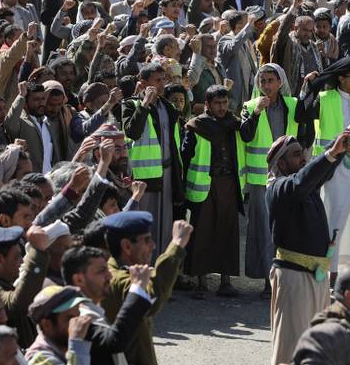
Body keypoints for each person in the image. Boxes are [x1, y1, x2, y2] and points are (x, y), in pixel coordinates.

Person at [265, 128, 350, 365]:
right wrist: (331, 153)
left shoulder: (305, 187)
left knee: (316, 348)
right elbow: (305, 178)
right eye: (296, 155)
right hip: (293, 279)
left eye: (303, 154)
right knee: (291, 349)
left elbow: (322, 168)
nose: (303, 158)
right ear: (281, 164)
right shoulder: (278, 189)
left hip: (317, 278)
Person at [303, 57, 350, 280]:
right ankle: (330, 271)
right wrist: (311, 85)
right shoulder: (325, 98)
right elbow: (303, 112)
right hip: (333, 166)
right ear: (341, 79)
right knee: (334, 218)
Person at [238, 63, 309, 296]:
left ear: (280, 82)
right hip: (261, 179)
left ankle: (291, 277)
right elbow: (246, 135)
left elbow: (307, 125)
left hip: (289, 175)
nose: (266, 85)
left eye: (271, 80)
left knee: (291, 226)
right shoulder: (250, 106)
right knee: (263, 228)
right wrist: (256, 113)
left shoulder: (292, 105)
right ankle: (268, 280)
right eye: (263, 81)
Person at [100, 211, 192, 365]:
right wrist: (176, 246)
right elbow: (150, 300)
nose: (153, 246)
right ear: (127, 246)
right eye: (147, 240)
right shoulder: (115, 278)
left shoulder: (120, 270)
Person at [180, 85, 243, 298]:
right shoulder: (196, 126)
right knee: (202, 233)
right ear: (207, 105)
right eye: (217, 103)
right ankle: (201, 281)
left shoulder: (233, 124)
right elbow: (185, 156)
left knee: (228, 231)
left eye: (225, 103)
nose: (222, 107)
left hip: (228, 183)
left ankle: (226, 281)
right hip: (204, 184)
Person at [120, 63, 183, 254]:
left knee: (165, 226)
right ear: (143, 82)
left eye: (164, 79)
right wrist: (144, 104)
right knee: (146, 225)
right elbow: (133, 132)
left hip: (168, 173)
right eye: (157, 80)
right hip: (144, 178)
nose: (162, 85)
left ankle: (162, 271)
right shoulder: (130, 104)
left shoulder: (167, 106)